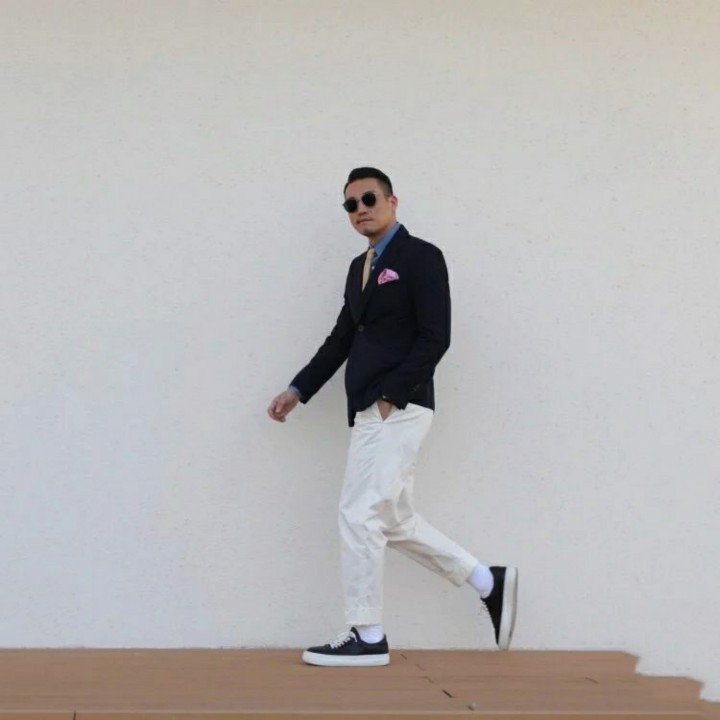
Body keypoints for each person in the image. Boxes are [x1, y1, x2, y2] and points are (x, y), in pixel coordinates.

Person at [268, 167, 518, 667]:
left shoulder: (421, 256)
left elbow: (436, 335)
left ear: (392, 201)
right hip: (368, 408)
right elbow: (342, 337)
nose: (360, 209)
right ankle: (487, 581)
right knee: (392, 519)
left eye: (368, 199)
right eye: (350, 205)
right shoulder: (358, 268)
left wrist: (392, 395)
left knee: (358, 513)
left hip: (397, 407)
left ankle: (368, 633)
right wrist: (298, 389)